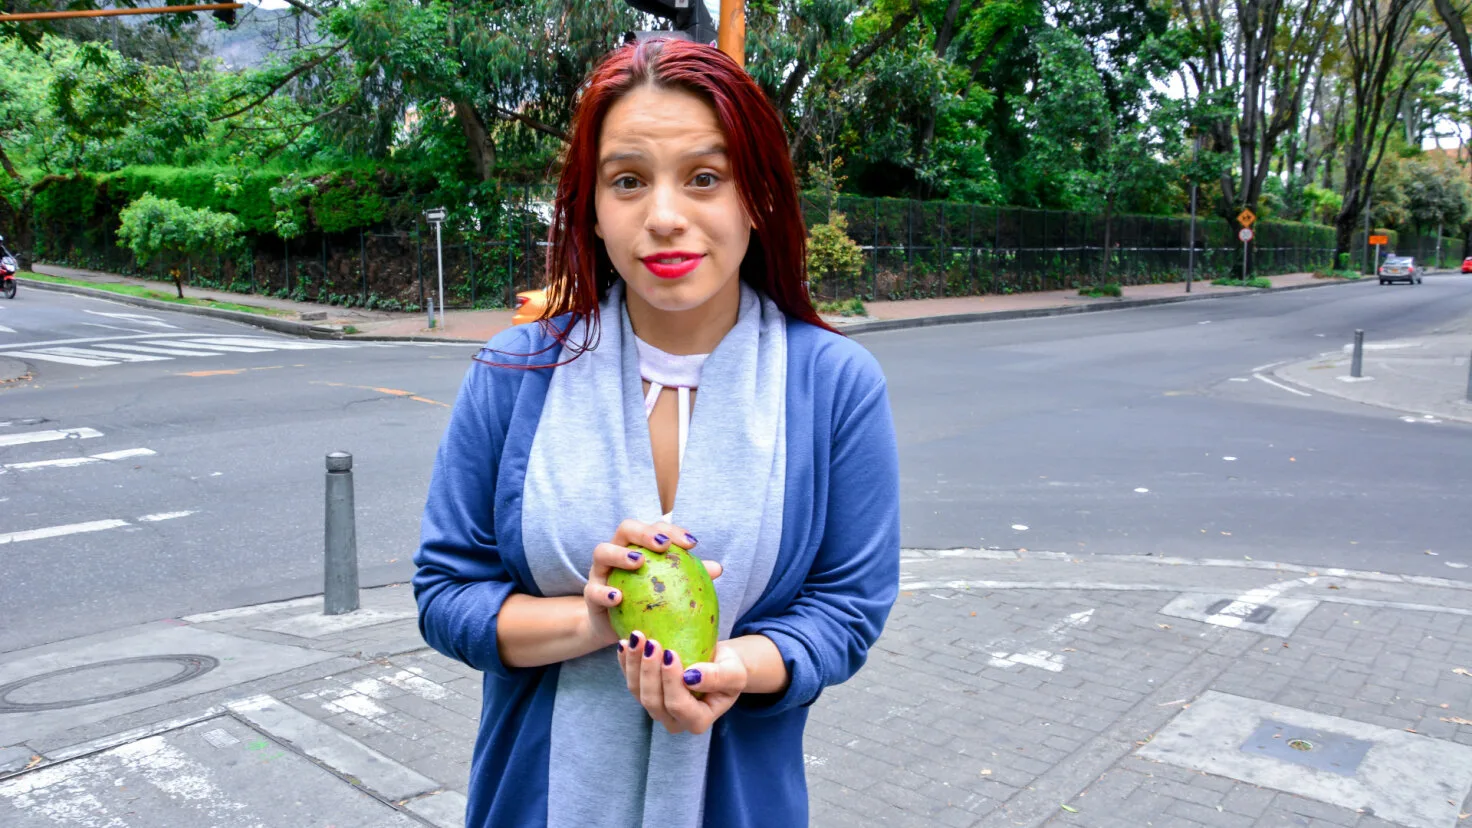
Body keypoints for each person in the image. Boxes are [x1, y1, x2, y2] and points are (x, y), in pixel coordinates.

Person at [413, 38, 900, 828]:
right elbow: (446, 594)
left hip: (739, 804)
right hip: (535, 802)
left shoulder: (835, 385)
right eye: (628, 181)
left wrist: (732, 667)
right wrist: (595, 619)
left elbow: (845, 609)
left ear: (758, 197)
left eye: (705, 178)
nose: (665, 217)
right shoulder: (516, 372)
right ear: (592, 208)